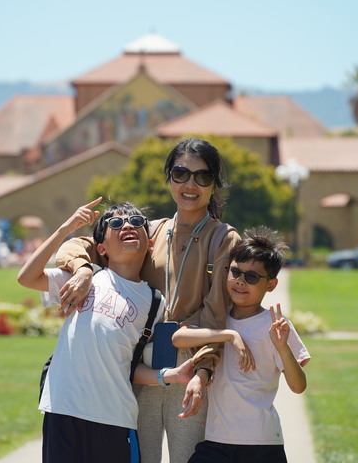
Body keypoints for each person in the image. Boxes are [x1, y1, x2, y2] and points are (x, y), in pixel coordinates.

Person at [55, 138, 241, 463]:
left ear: (214, 185)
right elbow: (79, 246)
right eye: (181, 173)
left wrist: (202, 373)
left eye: (203, 176)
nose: (190, 184)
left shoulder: (223, 238)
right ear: (169, 177)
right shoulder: (149, 231)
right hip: (139, 363)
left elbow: (216, 314)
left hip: (190, 365)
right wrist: (83, 270)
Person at [17, 197, 194, 463]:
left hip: (114, 418)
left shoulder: (156, 303)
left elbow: (129, 367)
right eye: (116, 223)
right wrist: (65, 229)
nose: (128, 226)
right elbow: (27, 277)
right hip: (63, 409)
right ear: (102, 248)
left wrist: (170, 375)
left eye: (136, 222)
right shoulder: (85, 280)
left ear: (149, 245)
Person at [172, 226, 311, 463]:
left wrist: (282, 347)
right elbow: (178, 337)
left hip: (262, 443)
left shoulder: (276, 324)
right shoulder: (216, 317)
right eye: (235, 272)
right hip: (217, 440)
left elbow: (298, 386)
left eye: (252, 277)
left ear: (271, 285)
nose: (240, 281)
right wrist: (228, 335)